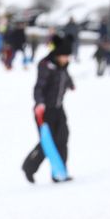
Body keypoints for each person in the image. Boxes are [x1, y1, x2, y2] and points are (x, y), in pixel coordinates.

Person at [22, 35, 75, 184]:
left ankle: (60, 172)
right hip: (44, 110)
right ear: (58, 54)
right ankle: (29, 167)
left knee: (63, 137)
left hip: (58, 108)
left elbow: (65, 77)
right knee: (48, 142)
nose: (67, 59)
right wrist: (39, 103)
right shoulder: (45, 65)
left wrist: (71, 84)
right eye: (65, 55)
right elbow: (39, 87)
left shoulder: (62, 66)